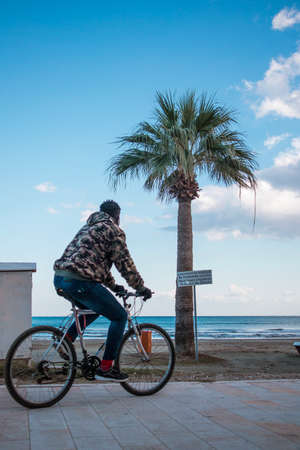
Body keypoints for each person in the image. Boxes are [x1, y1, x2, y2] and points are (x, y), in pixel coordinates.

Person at [53, 200, 152, 382]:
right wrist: (140, 287)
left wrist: (114, 287)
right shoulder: (112, 230)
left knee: (94, 309)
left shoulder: (87, 228)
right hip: (80, 281)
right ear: (117, 216)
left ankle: (66, 339)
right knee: (119, 317)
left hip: (60, 278)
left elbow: (93, 265)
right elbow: (125, 264)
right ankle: (106, 367)